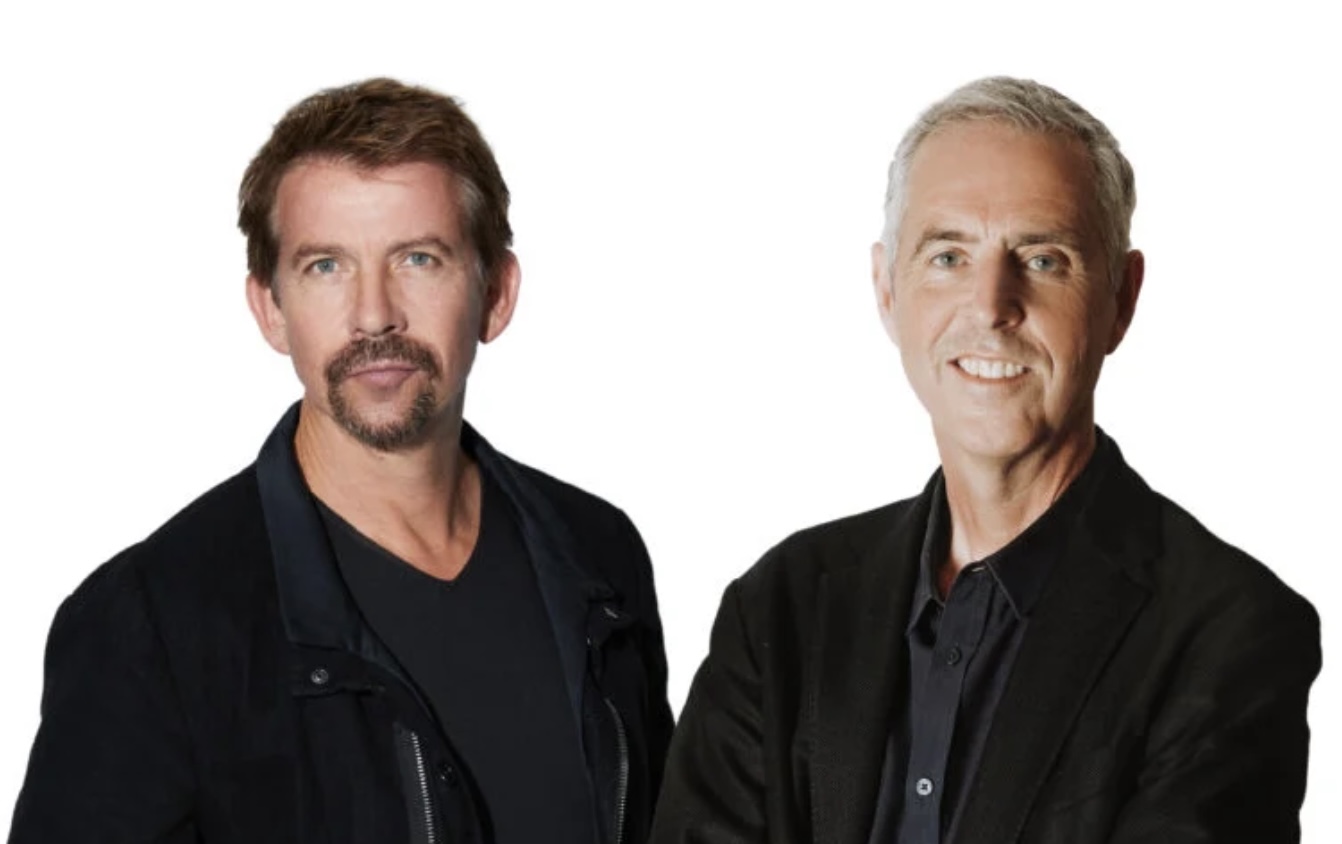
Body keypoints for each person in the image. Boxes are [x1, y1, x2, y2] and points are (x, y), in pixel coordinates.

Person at [650, 76, 1321, 844]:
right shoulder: (781, 608)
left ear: (1122, 299)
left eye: (1043, 259)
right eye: (948, 256)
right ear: (887, 290)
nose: (991, 305)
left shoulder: (1229, 635)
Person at [9, 77, 672, 844]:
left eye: (418, 258)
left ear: (496, 293)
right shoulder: (153, 624)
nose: (374, 315)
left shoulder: (596, 556)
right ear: (270, 308)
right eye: (326, 266)